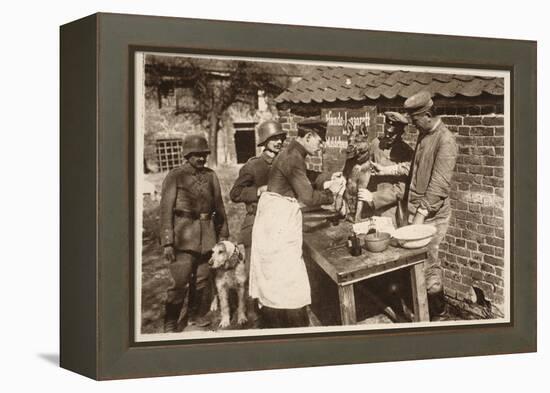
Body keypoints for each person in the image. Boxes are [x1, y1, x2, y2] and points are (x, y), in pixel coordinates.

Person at [361, 91, 457, 318]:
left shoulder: (446, 141)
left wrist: (418, 219)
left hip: (431, 215)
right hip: (416, 210)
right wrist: (386, 170)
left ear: (428, 114)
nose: (412, 125)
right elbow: (410, 168)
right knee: (417, 264)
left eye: (415, 120)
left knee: (428, 266)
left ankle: (439, 315)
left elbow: (439, 186)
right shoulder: (425, 135)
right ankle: (419, 309)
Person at [249, 118, 342, 328]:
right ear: (308, 137)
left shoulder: (293, 152)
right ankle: (292, 328)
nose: (322, 144)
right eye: (320, 140)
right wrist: (331, 192)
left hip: (275, 218)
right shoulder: (293, 157)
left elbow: (304, 175)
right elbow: (308, 197)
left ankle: (280, 321)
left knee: (277, 277)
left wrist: (326, 178)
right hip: (277, 221)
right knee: (288, 275)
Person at [159, 134, 229, 332]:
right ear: (187, 155)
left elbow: (219, 206)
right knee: (179, 281)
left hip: (207, 236)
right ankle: (171, 321)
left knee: (201, 280)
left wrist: (223, 234)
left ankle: (194, 316)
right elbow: (165, 210)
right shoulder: (175, 176)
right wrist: (168, 242)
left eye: (204, 154)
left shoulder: (211, 176)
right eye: (197, 155)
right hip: (183, 235)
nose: (201, 158)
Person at [229, 120, 287, 276]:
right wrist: (257, 191)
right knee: (255, 271)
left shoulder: (285, 163)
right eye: (274, 139)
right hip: (256, 220)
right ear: (265, 141)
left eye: (281, 138)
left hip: (279, 222)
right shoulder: (253, 166)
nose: (279, 142)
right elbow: (235, 193)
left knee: (278, 270)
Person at [357, 111, 414, 225]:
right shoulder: (376, 143)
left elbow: (402, 189)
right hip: (369, 207)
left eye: (392, 133)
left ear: (401, 132)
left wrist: (374, 197)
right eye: (386, 130)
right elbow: (364, 169)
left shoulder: (406, 152)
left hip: (391, 210)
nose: (388, 135)